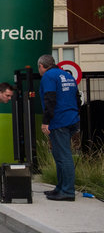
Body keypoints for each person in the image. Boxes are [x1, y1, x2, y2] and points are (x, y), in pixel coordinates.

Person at [38, 54, 80, 201]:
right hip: (72, 119)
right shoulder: (66, 75)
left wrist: (46, 121)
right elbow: (77, 97)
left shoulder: (48, 76)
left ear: (41, 66)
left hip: (59, 121)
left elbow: (50, 98)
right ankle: (60, 188)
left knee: (63, 156)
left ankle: (67, 191)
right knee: (59, 155)